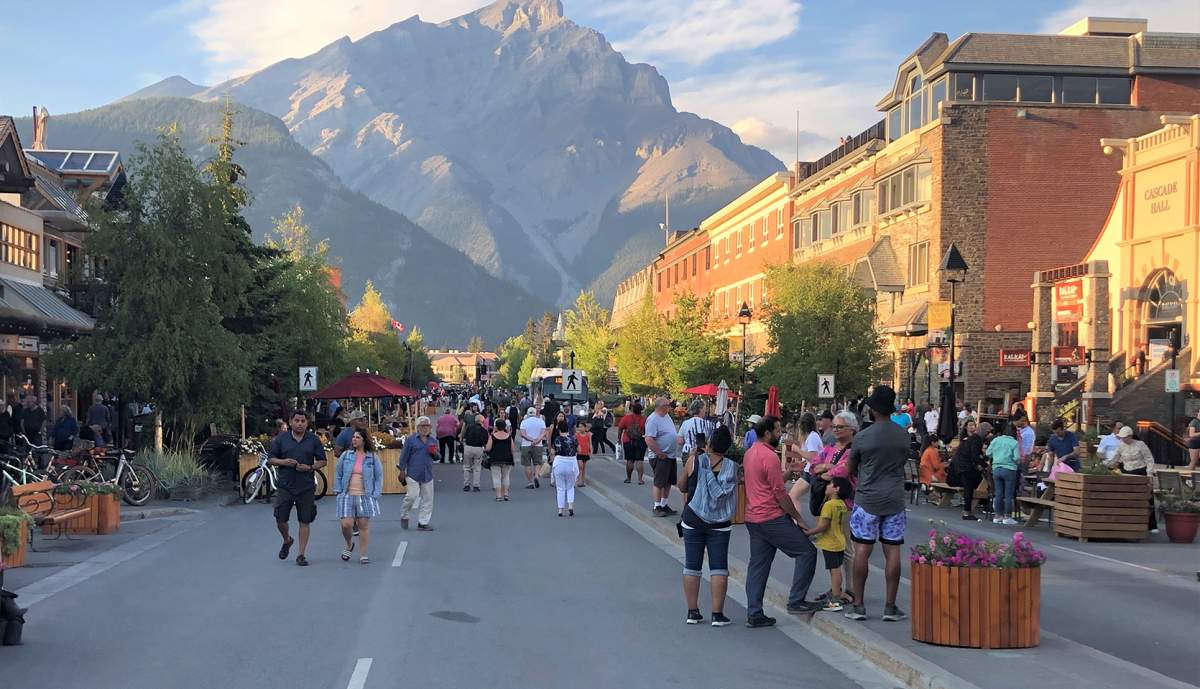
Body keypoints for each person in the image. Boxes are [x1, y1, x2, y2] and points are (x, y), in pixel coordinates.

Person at [743, 415, 819, 628]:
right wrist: (799, 519)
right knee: (807, 552)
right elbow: (779, 494)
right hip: (771, 517)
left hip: (753, 518)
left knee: (758, 565)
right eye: (777, 431)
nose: (780, 435)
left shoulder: (750, 453)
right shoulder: (770, 456)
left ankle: (754, 612)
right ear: (767, 433)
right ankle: (796, 600)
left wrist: (788, 472)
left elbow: (765, 483)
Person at [845, 386, 910, 622]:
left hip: (867, 498)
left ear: (872, 409)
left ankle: (858, 605)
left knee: (862, 550)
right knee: (893, 551)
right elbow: (902, 462)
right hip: (894, 498)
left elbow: (851, 467)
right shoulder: (902, 434)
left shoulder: (863, 436)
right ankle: (890, 607)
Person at [676, 425, 738, 627]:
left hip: (694, 518)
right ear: (728, 447)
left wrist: (692, 460)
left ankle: (692, 612)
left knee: (692, 565)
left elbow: (682, 486)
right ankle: (717, 615)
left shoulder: (696, 460)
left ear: (710, 443)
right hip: (720, 522)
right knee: (719, 566)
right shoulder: (732, 467)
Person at [268, 409, 327, 566]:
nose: (300, 424)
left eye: (303, 421)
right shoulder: (282, 439)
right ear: (291, 422)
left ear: (307, 423)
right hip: (285, 484)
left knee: (304, 520)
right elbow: (271, 459)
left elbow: (323, 460)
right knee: (280, 518)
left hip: (306, 485)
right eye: (297, 421)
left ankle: (301, 554)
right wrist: (284, 462)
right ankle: (287, 540)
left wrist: (309, 467)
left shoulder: (313, 440)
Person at [333, 428, 382, 565]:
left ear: (364, 440)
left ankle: (363, 554)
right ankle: (349, 544)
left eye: (358, 437)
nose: (354, 439)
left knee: (363, 525)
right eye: (353, 437)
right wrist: (338, 490)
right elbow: (338, 473)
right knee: (346, 524)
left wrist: (376, 493)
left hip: (365, 495)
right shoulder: (346, 455)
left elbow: (379, 476)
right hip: (347, 493)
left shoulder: (372, 457)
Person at [804, 477, 853, 612]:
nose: (826, 486)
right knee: (836, 567)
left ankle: (835, 598)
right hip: (839, 540)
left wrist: (809, 532)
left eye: (830, 484)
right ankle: (838, 592)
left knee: (834, 570)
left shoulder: (829, 505)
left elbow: (824, 526)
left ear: (836, 489)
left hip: (830, 543)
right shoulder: (841, 504)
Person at [1102, 426, 1159, 533]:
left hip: (1141, 472)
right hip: (1127, 473)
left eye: (1124, 437)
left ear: (1130, 436)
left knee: (1148, 499)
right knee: (1128, 498)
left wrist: (1149, 474)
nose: (1123, 439)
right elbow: (1114, 459)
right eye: (1121, 438)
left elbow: (1149, 459)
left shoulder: (1140, 445)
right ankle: (1129, 522)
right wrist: (1103, 465)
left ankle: (1152, 525)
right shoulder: (1121, 446)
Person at [399, 416, 437, 531]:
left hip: (427, 473)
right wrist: (402, 470)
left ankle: (423, 522)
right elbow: (404, 456)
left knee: (428, 499)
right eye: (422, 426)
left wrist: (434, 453)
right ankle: (404, 514)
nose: (425, 428)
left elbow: (437, 456)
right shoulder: (411, 440)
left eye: (427, 426)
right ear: (418, 427)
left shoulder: (433, 440)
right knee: (412, 496)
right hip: (413, 473)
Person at [645, 397, 680, 516]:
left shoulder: (667, 416)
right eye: (668, 405)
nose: (670, 407)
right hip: (660, 456)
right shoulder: (653, 419)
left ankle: (664, 504)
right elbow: (649, 439)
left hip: (670, 455)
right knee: (659, 482)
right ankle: (657, 506)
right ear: (662, 406)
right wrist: (659, 453)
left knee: (668, 481)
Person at [950, 421, 990, 522]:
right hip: (966, 466)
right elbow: (975, 455)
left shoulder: (971, 439)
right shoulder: (976, 439)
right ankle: (967, 511)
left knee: (969, 488)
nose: (988, 434)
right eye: (987, 432)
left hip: (961, 465)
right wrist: (985, 465)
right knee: (969, 488)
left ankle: (967, 510)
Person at [786, 413, 824, 507]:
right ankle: (796, 520)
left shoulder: (812, 437)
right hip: (809, 472)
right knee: (793, 496)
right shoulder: (811, 436)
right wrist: (802, 464)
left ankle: (797, 520)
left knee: (794, 496)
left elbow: (813, 457)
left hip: (813, 473)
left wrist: (797, 450)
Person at [986, 425, 1021, 525]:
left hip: (996, 469)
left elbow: (988, 453)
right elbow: (1017, 458)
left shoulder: (996, 440)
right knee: (1008, 494)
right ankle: (1007, 517)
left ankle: (997, 516)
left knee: (998, 493)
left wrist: (997, 456)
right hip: (1009, 469)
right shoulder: (1014, 443)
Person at [548, 418, 579, 516]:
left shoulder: (557, 439)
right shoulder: (573, 438)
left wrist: (551, 460)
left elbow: (552, 452)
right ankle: (570, 506)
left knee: (560, 488)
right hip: (571, 462)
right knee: (570, 487)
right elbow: (578, 449)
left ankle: (560, 510)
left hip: (559, 462)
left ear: (559, 429)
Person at [486, 419, 516, 501]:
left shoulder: (492, 436)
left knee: (496, 477)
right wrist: (513, 458)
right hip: (507, 458)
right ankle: (506, 494)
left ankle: (498, 495)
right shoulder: (509, 436)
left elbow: (488, 448)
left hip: (495, 459)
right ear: (505, 427)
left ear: (496, 427)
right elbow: (513, 449)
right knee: (506, 476)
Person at [617, 401, 647, 484]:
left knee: (629, 460)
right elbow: (646, 431)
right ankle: (640, 479)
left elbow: (620, 428)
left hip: (628, 441)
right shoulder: (644, 419)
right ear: (641, 410)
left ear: (633, 409)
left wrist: (619, 439)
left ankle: (628, 478)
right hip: (640, 440)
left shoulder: (626, 418)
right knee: (639, 460)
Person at [519, 407, 548, 489]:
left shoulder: (524, 422)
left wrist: (531, 439)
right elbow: (543, 433)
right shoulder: (541, 421)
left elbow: (522, 434)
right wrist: (537, 440)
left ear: (527, 413)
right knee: (538, 463)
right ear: (535, 413)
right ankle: (536, 476)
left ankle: (530, 482)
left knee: (527, 464)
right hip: (538, 445)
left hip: (526, 445)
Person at [462, 413, 489, 492]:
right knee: (477, 468)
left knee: (467, 467)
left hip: (468, 447)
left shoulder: (469, 427)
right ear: (482, 421)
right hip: (478, 448)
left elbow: (465, 435)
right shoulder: (484, 430)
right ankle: (476, 485)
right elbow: (485, 441)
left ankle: (466, 485)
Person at [574, 420, 592, 488]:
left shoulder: (588, 435)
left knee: (584, 467)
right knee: (580, 467)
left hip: (586, 452)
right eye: (579, 427)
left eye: (581, 427)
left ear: (585, 427)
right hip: (579, 453)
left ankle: (583, 480)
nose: (580, 428)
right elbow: (575, 444)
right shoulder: (577, 435)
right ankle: (579, 480)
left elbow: (590, 444)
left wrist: (591, 452)